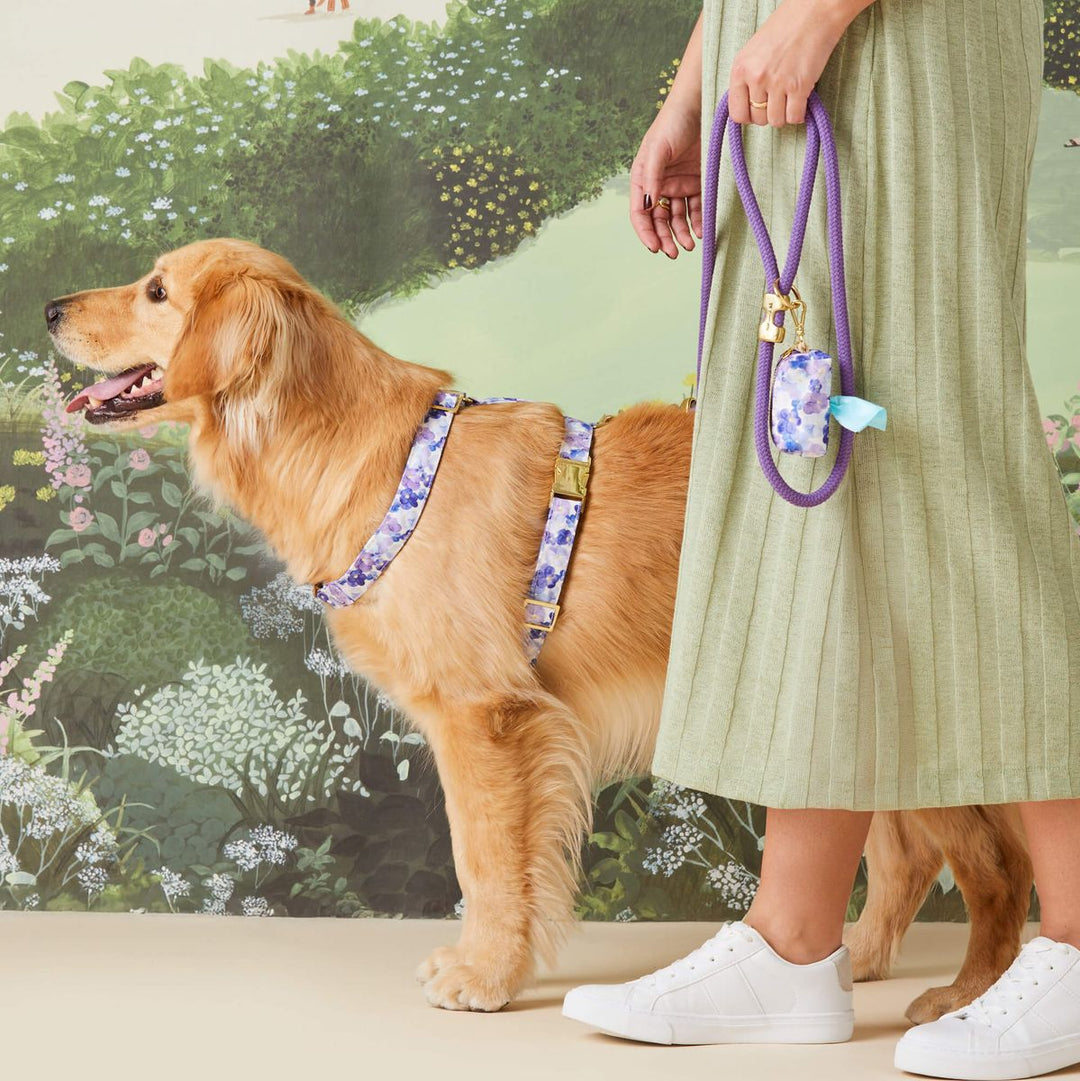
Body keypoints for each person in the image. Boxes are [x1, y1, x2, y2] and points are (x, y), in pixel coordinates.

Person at [562, 0, 1080, 1077]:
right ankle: (793, 943)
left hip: (899, 37)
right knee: (810, 457)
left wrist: (812, 16)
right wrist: (693, 92)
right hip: (785, 42)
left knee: (943, 445)